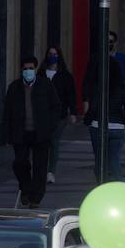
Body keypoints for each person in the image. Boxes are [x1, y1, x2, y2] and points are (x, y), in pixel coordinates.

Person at [5, 56, 61, 208]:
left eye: (31, 68)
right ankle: (25, 187)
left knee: (40, 167)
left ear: (36, 69)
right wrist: (7, 132)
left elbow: (56, 107)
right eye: (25, 69)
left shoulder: (45, 85)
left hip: (41, 133)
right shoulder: (14, 87)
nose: (28, 71)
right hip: (21, 133)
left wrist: (50, 126)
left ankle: (35, 199)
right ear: (21, 70)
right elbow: (7, 111)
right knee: (19, 163)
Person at [82, 47, 125, 182]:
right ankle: (118, 186)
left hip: (98, 125)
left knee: (99, 161)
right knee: (115, 159)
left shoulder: (97, 85)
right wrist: (123, 122)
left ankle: (101, 186)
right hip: (117, 126)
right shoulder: (121, 85)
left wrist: (88, 119)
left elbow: (93, 107)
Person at [42, 46, 79, 184]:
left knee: (54, 141)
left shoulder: (65, 75)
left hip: (59, 115)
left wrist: (73, 112)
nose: (52, 56)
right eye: (50, 54)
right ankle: (43, 169)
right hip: (42, 115)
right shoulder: (41, 74)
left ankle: (50, 171)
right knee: (43, 142)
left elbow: (71, 95)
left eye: (55, 54)